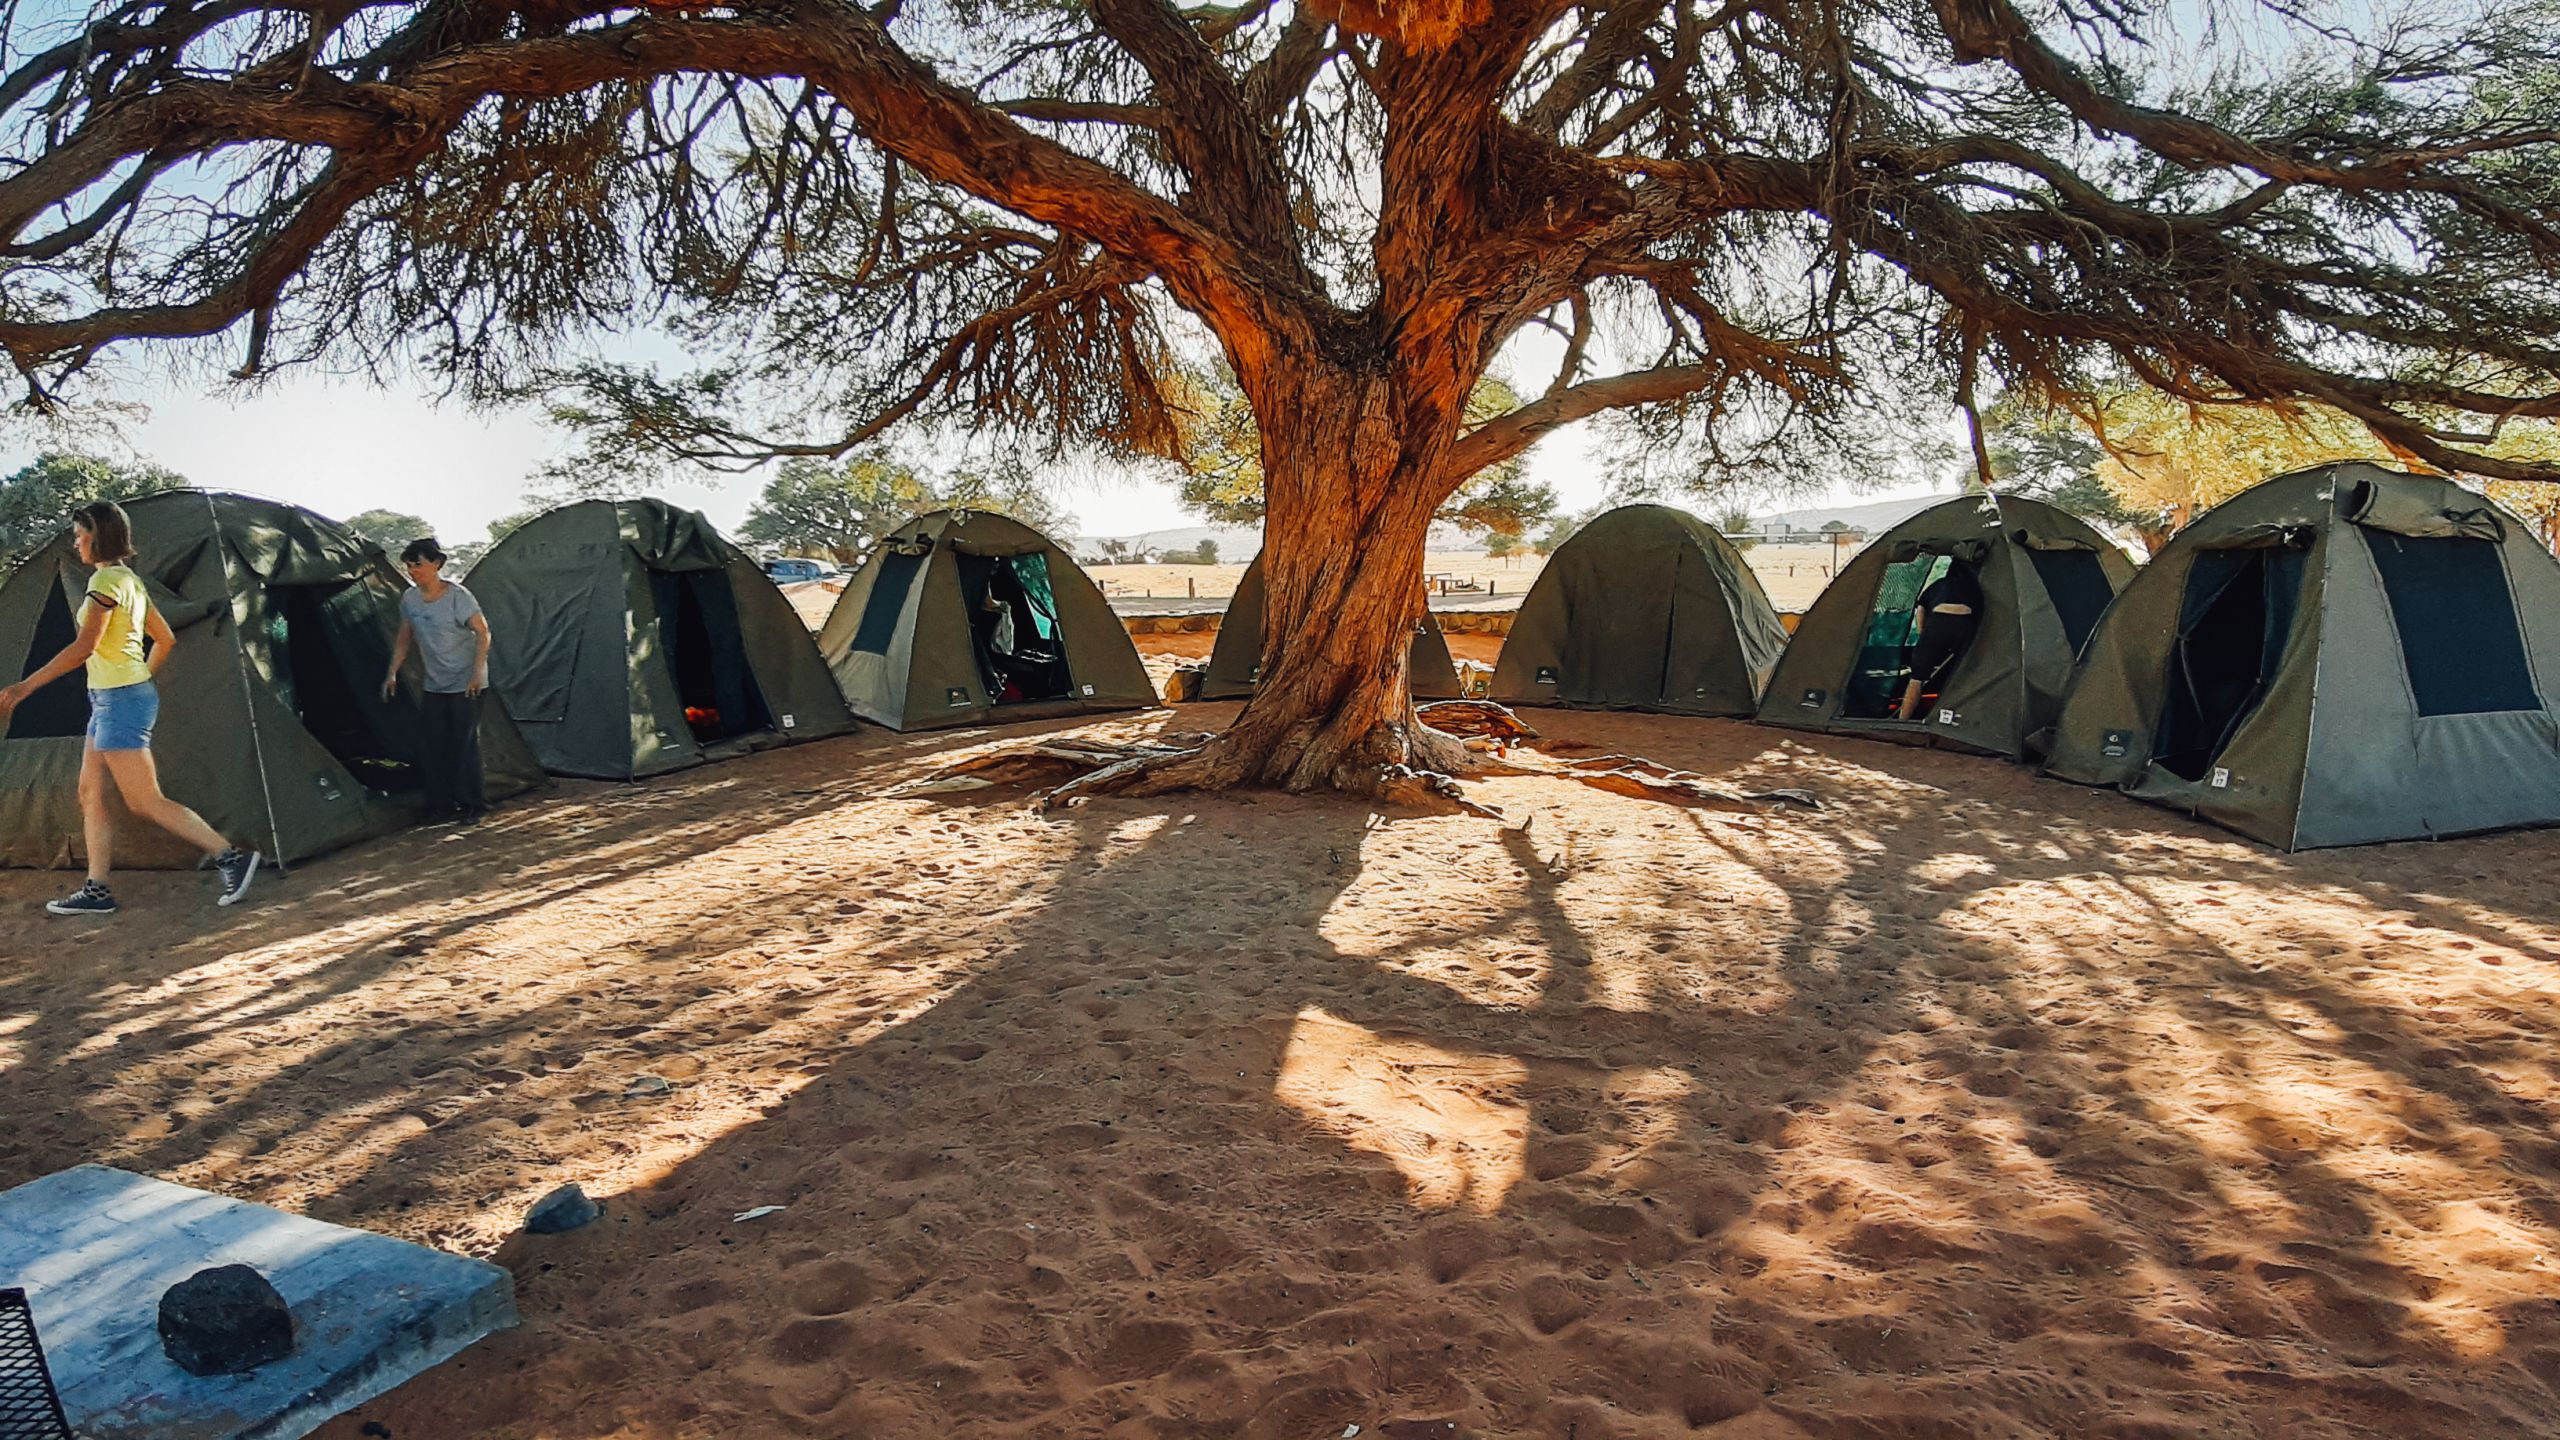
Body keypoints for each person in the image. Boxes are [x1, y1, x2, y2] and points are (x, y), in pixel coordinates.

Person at [0, 501, 262, 914]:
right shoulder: (130, 582)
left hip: (119, 700)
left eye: (79, 534)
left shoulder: (105, 583)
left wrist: (25, 687)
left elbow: (83, 647)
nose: (76, 542)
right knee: (90, 792)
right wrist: (138, 679)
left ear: (97, 534)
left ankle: (231, 855)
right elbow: (165, 639)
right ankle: (97, 890)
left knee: (144, 800)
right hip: (111, 698)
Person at [384, 538, 493, 823]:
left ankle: (473, 804)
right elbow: (405, 634)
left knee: (464, 743)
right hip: (436, 683)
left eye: (418, 565)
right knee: (433, 743)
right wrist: (393, 671)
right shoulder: (410, 599)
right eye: (408, 566)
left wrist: (477, 673)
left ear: (436, 564)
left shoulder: (459, 597)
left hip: (466, 683)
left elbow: (483, 633)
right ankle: (441, 805)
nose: (412, 571)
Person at [1897, 557, 1984, 720]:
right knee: (1963, 674)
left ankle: (1903, 720)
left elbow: (1921, 612)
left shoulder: (1939, 584)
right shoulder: (1974, 586)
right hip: (1964, 625)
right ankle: (1955, 720)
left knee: (1916, 679)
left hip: (1937, 623)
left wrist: (1925, 635)